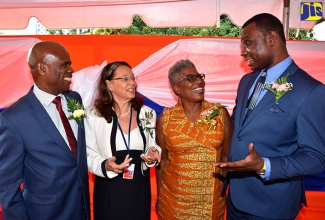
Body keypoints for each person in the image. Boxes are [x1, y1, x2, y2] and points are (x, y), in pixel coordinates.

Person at [214, 13, 325, 220]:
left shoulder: (310, 91)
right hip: (235, 197)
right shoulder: (246, 81)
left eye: (248, 43)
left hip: (272, 206)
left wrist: (265, 165)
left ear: (271, 39)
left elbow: (316, 158)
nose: (242, 52)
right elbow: (240, 129)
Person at [0, 41, 90, 219]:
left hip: (81, 209)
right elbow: (7, 187)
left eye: (70, 64)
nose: (71, 70)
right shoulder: (13, 119)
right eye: (65, 65)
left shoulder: (75, 99)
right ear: (42, 68)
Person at [155, 59, 233, 219]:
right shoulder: (166, 119)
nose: (199, 81)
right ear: (177, 88)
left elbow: (226, 157)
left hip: (210, 203)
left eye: (200, 77)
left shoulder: (219, 113)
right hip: (174, 203)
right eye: (191, 78)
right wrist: (160, 197)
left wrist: (221, 192)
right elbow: (162, 162)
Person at [85, 61, 161, 220]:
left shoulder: (147, 114)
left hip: (139, 189)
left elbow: (152, 146)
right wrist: (105, 165)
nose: (132, 82)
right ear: (109, 84)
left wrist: (153, 154)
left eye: (133, 78)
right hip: (109, 190)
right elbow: (88, 155)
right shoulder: (93, 115)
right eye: (125, 78)